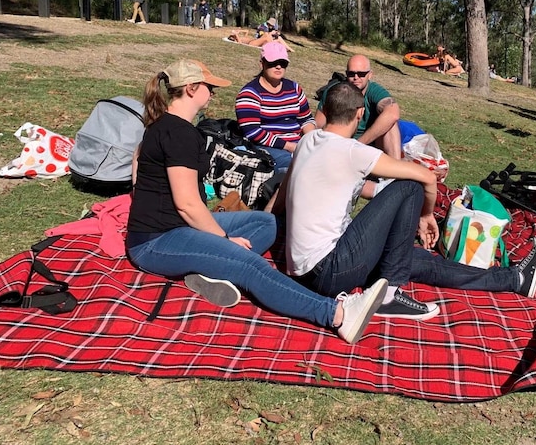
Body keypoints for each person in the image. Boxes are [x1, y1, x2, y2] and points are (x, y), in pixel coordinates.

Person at [125, 59, 387, 344]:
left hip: (175, 226)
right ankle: (336, 314)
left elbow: (138, 161)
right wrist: (224, 239)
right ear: (190, 89)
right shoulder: (178, 133)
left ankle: (215, 270)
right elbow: (187, 205)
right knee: (250, 265)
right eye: (209, 87)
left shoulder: (164, 124)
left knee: (267, 221)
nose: (213, 93)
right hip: (157, 240)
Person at [273, 82, 536, 321]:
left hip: (306, 269)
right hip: (331, 269)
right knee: (408, 186)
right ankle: (389, 296)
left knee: (413, 259)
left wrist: (267, 228)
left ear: (325, 111)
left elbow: (282, 197)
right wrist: (426, 216)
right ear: (359, 114)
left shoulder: (308, 141)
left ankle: (514, 280)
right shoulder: (351, 151)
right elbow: (425, 177)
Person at [235, 42, 316, 171]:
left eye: (283, 63)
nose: (278, 67)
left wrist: (313, 141)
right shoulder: (249, 94)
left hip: (298, 143)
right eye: (273, 63)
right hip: (267, 147)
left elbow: (306, 119)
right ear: (262, 64)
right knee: (296, 168)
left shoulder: (294, 88)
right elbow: (253, 132)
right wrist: (290, 146)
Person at [315, 55, 401, 159]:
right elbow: (318, 125)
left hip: (366, 144)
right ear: (346, 74)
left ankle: (394, 168)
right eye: (351, 74)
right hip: (337, 143)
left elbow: (393, 114)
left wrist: (358, 144)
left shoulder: (375, 92)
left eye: (361, 74)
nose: (356, 77)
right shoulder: (335, 92)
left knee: (391, 123)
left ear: (370, 75)